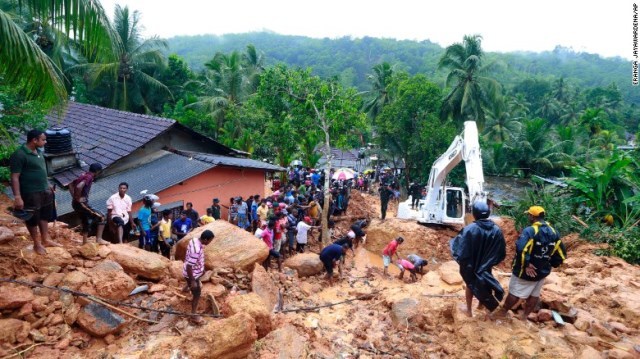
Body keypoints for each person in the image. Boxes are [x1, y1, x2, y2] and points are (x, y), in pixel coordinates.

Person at [498, 206, 566, 320]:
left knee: (514, 292)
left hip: (526, 271)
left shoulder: (530, 231)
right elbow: (561, 253)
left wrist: (527, 264)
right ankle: (524, 316)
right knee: (534, 294)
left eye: (529, 214)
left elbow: (521, 248)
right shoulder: (554, 232)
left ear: (532, 216)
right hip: (542, 271)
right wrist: (550, 264)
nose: (528, 216)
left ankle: (502, 313)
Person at [450, 201, 506, 319]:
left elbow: (460, 248)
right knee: (485, 283)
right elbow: (500, 251)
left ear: (474, 214)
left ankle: (469, 310)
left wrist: (465, 263)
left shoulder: (470, 229)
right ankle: (483, 307)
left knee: (471, 284)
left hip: (472, 265)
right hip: (486, 266)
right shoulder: (496, 230)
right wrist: (489, 262)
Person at [9, 129, 60, 254]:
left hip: (44, 191)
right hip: (30, 193)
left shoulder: (38, 152)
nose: (45, 142)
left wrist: (47, 185)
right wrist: (17, 197)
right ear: (34, 140)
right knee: (32, 218)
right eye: (43, 139)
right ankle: (37, 244)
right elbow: (14, 177)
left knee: (44, 216)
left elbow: (41, 171)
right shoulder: (19, 155)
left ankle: (45, 239)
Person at [70, 163, 108, 245]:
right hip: (81, 204)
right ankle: (99, 239)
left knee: (85, 221)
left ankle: (84, 242)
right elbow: (78, 187)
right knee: (102, 217)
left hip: (75, 204)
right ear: (97, 171)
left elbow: (71, 185)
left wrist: (74, 197)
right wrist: (78, 198)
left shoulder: (83, 175)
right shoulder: (89, 177)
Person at [182, 229, 215, 325]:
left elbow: (192, 260)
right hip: (192, 273)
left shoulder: (194, 240)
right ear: (205, 239)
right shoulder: (196, 250)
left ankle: (185, 288)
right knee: (197, 293)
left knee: (197, 278)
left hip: (195, 270)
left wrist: (201, 268)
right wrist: (192, 281)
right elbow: (189, 266)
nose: (210, 242)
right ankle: (193, 315)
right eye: (210, 241)